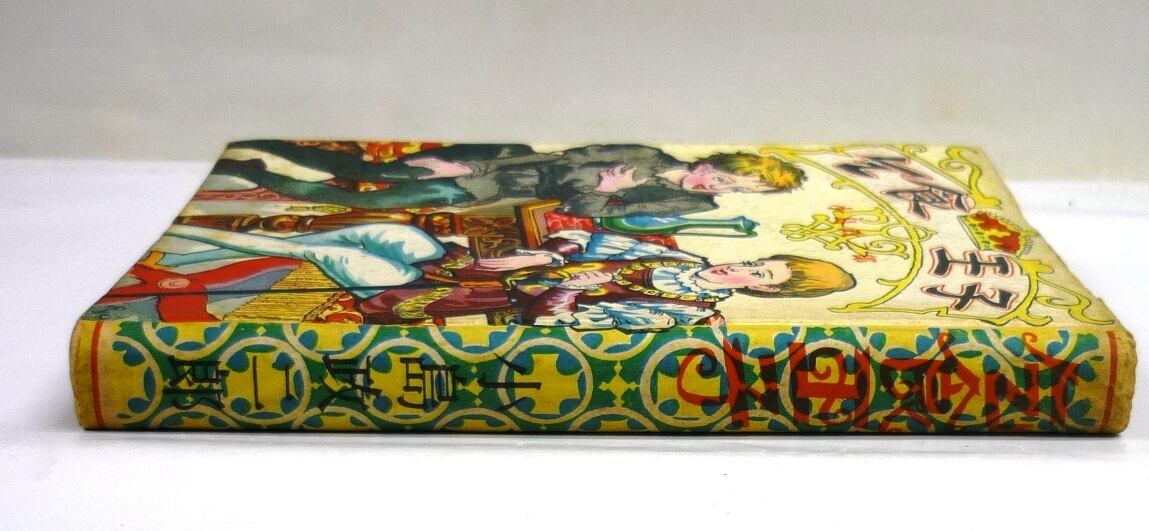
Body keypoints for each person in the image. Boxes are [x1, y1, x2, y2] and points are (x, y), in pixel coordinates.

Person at [155, 223, 854, 331]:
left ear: (765, 291)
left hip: (471, 297)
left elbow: (568, 322)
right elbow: (585, 237)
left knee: (353, 260)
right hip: (471, 261)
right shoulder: (678, 259)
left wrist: (564, 285)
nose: (742, 267)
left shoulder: (687, 314)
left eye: (761, 274)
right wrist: (547, 253)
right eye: (757, 258)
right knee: (389, 234)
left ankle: (200, 248)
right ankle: (204, 249)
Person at [210, 141, 806, 217]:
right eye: (730, 178)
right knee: (359, 169)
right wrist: (467, 163)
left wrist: (603, 192)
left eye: (738, 192)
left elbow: (588, 212)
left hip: (497, 192)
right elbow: (567, 153)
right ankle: (254, 155)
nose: (722, 189)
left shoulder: (691, 206)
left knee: (364, 201)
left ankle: (251, 172)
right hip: (489, 166)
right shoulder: (645, 152)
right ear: (719, 163)